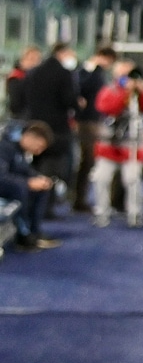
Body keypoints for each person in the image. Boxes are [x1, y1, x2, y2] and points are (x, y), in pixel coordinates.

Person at [89, 60, 143, 229]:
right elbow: (107, 108)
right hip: (109, 145)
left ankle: (134, 213)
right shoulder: (109, 90)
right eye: (123, 74)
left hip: (132, 145)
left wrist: (142, 91)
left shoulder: (140, 93)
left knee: (132, 179)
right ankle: (101, 212)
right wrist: (124, 92)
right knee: (101, 178)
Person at [21, 42, 80, 218]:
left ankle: (36, 206)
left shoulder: (34, 72)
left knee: (36, 167)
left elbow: (25, 99)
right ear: (62, 53)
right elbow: (70, 100)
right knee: (54, 169)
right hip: (57, 129)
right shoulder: (63, 73)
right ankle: (45, 207)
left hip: (34, 126)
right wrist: (78, 104)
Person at [0, 119, 60, 251]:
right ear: (29, 137)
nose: (39, 151)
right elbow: (1, 176)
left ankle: (34, 232)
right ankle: (23, 236)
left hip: (10, 185)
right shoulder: (4, 146)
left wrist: (38, 178)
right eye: (39, 146)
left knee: (42, 186)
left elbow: (23, 169)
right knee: (20, 188)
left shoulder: (18, 149)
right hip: (6, 186)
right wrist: (27, 182)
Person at [72, 46, 116, 214]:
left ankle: (80, 197)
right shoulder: (87, 71)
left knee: (90, 161)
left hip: (95, 120)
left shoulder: (99, 73)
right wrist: (94, 67)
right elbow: (80, 87)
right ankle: (78, 198)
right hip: (85, 121)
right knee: (87, 160)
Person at [5, 47, 40, 118]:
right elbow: (15, 103)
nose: (35, 63)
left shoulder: (37, 77)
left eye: (38, 60)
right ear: (22, 60)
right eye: (31, 59)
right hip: (20, 117)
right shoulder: (16, 77)